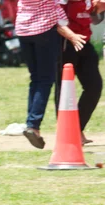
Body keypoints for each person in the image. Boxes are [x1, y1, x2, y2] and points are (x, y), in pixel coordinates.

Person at [15, 0, 80, 149]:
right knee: (45, 80)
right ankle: (33, 125)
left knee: (36, 78)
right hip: (44, 28)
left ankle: (31, 124)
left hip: (23, 29)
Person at [54, 0, 102, 146]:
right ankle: (67, 133)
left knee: (94, 86)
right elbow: (55, 20)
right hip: (66, 43)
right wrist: (72, 37)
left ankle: (76, 129)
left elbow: (93, 19)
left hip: (84, 42)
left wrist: (98, 9)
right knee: (63, 89)